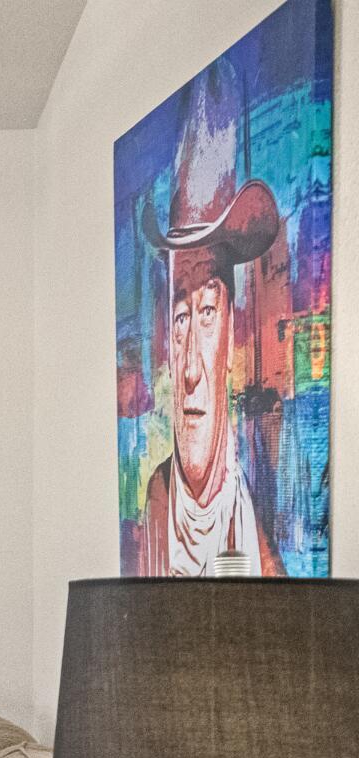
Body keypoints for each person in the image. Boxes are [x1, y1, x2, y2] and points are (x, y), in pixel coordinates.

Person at [133, 61, 284, 576]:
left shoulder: (258, 545)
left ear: (232, 335)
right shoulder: (155, 502)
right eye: (180, 316)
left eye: (207, 312)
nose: (191, 368)